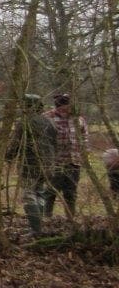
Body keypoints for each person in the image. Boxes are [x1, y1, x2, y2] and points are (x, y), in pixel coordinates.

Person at [6, 94, 57, 237]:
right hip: (49, 166)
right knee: (40, 194)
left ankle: (36, 230)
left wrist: (8, 157)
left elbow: (15, 144)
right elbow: (55, 145)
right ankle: (38, 227)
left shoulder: (24, 123)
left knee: (29, 195)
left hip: (30, 165)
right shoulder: (50, 122)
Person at [43, 92, 90, 222]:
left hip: (74, 162)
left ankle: (71, 218)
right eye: (66, 107)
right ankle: (46, 217)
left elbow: (85, 137)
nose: (68, 110)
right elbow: (41, 140)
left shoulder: (78, 119)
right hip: (55, 162)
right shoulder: (48, 118)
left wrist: (85, 153)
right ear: (59, 107)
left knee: (71, 192)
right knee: (51, 191)